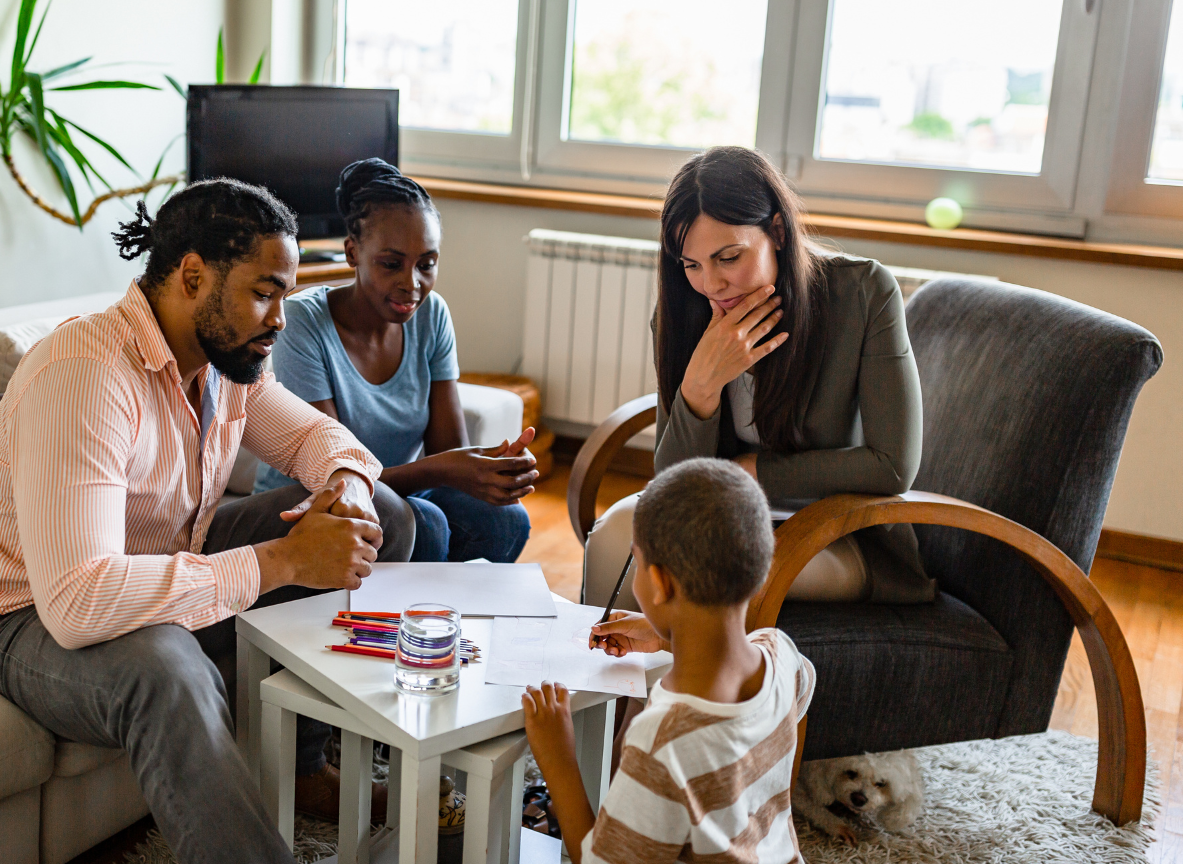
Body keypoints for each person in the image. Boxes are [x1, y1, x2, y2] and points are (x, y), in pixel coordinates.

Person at [0, 179, 415, 864]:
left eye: (284, 295)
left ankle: (306, 761)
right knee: (167, 666)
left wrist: (346, 489)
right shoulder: (88, 375)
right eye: (264, 291)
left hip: (161, 559)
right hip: (19, 615)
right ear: (193, 275)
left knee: (386, 517)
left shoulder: (229, 362)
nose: (280, 317)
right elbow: (76, 602)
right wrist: (280, 562)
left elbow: (321, 441)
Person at [582, 145, 934, 609]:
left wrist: (753, 472)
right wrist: (700, 388)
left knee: (691, 563)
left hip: (834, 532)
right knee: (611, 537)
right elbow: (673, 480)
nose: (710, 283)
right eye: (691, 264)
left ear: (778, 231)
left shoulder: (862, 293)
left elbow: (892, 465)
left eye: (728, 257)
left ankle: (678, 682)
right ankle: (615, 682)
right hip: (723, 515)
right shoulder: (684, 312)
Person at [524, 458, 816, 863]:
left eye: (637, 564)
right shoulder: (782, 653)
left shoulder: (661, 741)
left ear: (660, 583)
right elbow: (779, 700)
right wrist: (668, 637)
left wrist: (558, 760)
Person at [253, 158, 537, 563]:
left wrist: (491, 466)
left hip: (395, 489)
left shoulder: (432, 315)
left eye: (427, 264)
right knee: (426, 521)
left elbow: (447, 451)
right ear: (352, 252)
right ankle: (399, 624)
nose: (412, 283)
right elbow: (331, 468)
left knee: (505, 518)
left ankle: (444, 620)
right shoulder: (303, 322)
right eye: (391, 264)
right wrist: (451, 468)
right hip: (311, 496)